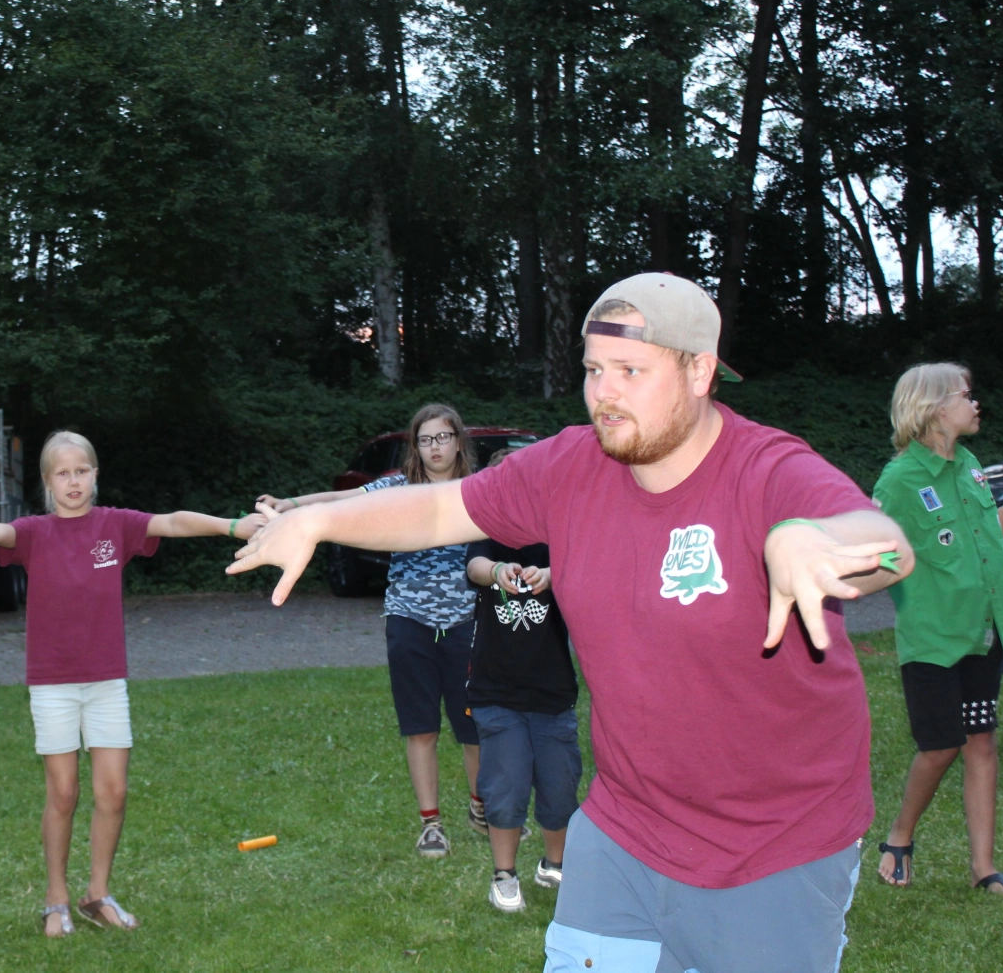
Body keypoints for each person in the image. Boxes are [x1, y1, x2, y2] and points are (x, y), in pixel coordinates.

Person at [229, 275, 913, 973]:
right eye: (592, 369)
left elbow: (885, 540)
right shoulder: (569, 466)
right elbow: (440, 510)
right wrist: (318, 520)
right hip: (625, 830)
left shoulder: (766, 468)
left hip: (773, 846)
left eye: (630, 371)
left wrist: (812, 542)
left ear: (700, 372)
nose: (603, 393)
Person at [0, 430, 267, 938]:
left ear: (95, 475)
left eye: (81, 471)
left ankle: (97, 894)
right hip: (52, 683)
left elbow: (174, 521)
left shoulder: (115, 526)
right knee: (64, 792)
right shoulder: (35, 532)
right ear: (48, 482)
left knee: (113, 793)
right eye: (62, 473)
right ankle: (55, 898)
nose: (73, 481)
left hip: (106, 682)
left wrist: (233, 525)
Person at [258, 404, 483, 858]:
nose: (435, 447)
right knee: (420, 727)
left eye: (443, 437)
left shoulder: (476, 489)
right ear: (415, 447)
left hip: (466, 622)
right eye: (425, 439)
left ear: (459, 440)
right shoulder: (398, 487)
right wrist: (294, 507)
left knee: (474, 726)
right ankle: (431, 824)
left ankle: (482, 806)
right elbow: (345, 500)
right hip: (408, 620)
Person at [870, 363, 1003, 897]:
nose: (975, 404)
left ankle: (984, 867)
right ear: (933, 408)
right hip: (932, 640)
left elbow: (986, 533)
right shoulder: (900, 481)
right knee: (940, 745)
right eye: (965, 395)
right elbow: (877, 551)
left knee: (981, 742)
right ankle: (898, 837)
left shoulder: (970, 465)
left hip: (981, 633)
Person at [464, 447, 580, 914]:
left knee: (558, 786)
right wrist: (497, 572)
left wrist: (556, 575)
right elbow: (473, 568)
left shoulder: (560, 534)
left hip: (552, 693)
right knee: (506, 784)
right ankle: (504, 874)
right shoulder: (487, 534)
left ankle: (554, 866)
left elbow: (588, 572)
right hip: (497, 692)